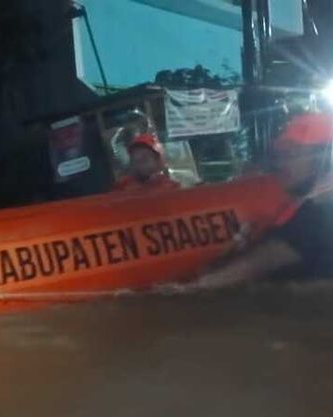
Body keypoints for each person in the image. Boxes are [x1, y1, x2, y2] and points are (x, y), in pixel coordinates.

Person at [193, 112, 333, 288]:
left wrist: (192, 288)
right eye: (280, 155)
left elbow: (258, 263)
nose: (281, 163)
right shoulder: (301, 207)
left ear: (325, 158)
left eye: (293, 153)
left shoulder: (322, 213)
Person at [113, 133, 180, 192]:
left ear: (157, 160)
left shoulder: (171, 188)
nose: (139, 162)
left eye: (144, 157)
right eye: (135, 158)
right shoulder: (121, 187)